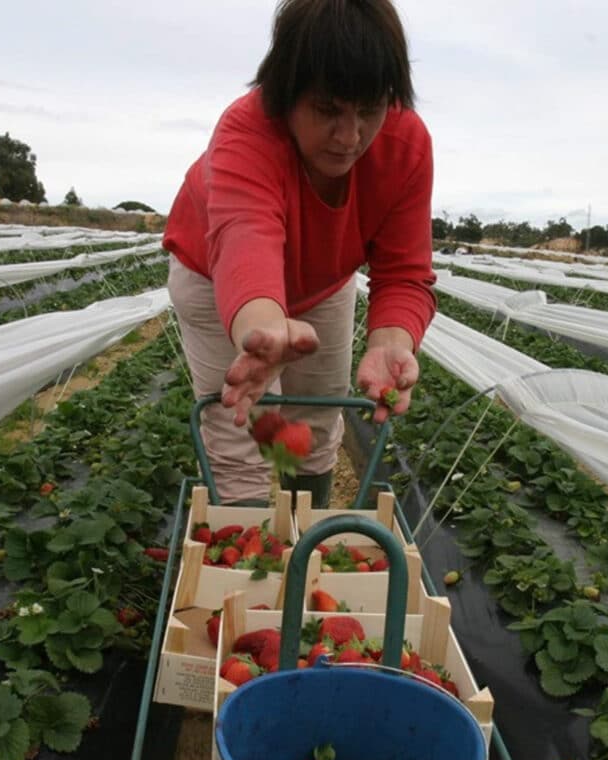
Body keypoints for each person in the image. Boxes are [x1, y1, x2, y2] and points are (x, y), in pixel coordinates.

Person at [163, 0, 436, 507]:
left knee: (317, 418)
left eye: (369, 110)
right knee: (237, 422)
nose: (350, 136)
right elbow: (245, 240)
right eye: (328, 109)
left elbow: (403, 272)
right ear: (285, 94)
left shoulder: (407, 146)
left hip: (324, 282)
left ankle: (303, 537)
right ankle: (248, 564)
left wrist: (391, 344)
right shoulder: (247, 132)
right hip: (211, 274)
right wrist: (263, 330)